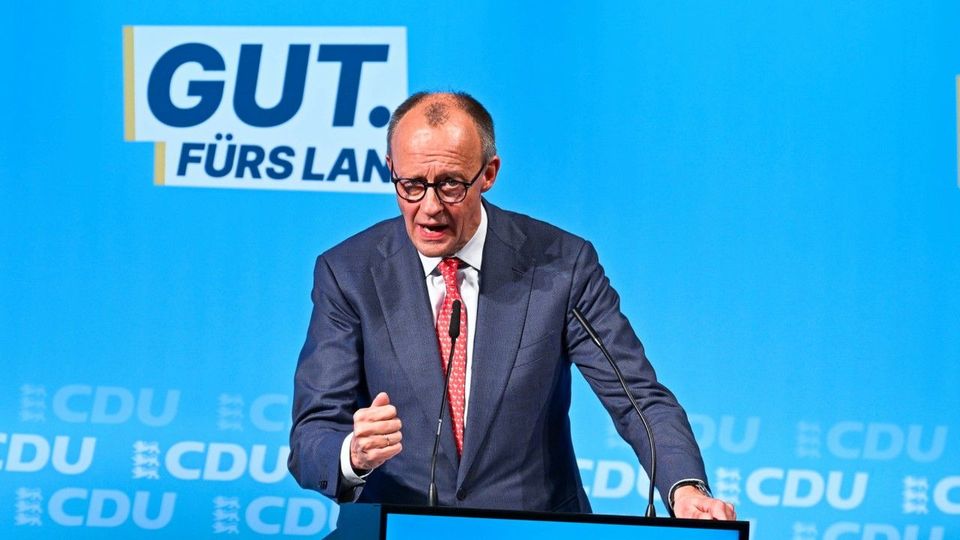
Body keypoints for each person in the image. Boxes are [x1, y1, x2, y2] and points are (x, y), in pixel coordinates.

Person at [288, 91, 735, 520]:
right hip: (397, 527)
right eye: (412, 185)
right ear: (391, 169)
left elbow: (636, 396)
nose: (430, 208)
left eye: (450, 185)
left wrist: (686, 488)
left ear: (489, 173)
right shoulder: (349, 273)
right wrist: (353, 454)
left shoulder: (561, 265)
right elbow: (312, 434)